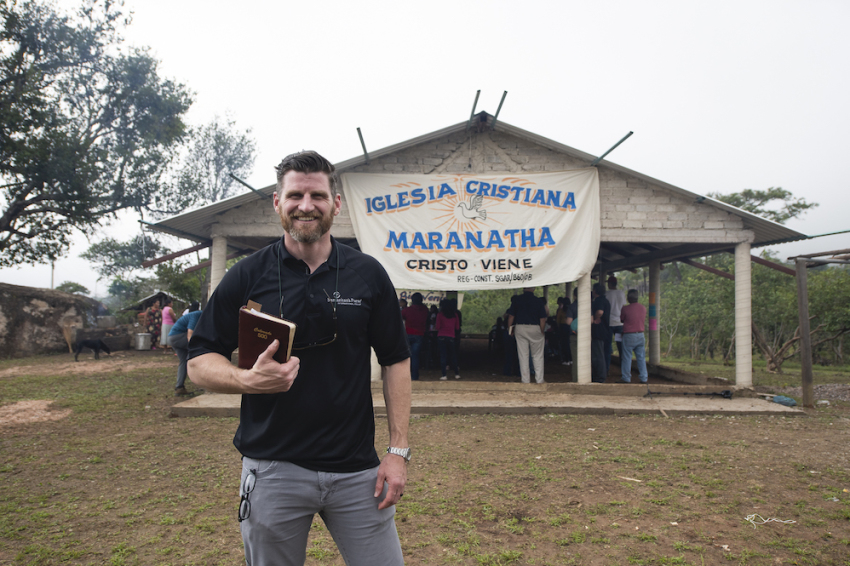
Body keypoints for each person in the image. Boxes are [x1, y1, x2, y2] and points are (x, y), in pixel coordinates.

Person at [187, 150, 411, 566]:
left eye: (318, 196)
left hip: (356, 471)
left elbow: (396, 359)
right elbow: (199, 359)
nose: (306, 206)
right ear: (278, 202)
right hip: (273, 470)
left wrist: (397, 451)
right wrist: (245, 380)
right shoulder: (248, 275)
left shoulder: (368, 274)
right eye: (295, 195)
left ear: (336, 204)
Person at [506, 287, 547, 384]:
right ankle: (539, 380)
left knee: (523, 355)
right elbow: (543, 319)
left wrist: (510, 329)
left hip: (520, 327)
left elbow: (511, 316)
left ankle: (525, 380)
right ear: (534, 289)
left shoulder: (517, 300)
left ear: (523, 288)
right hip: (535, 327)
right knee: (537, 355)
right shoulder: (538, 301)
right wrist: (541, 331)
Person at [168, 301, 201, 396]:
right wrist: (194, 348)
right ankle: (208, 381)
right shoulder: (197, 315)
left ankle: (179, 387)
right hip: (177, 337)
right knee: (203, 351)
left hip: (172, 338)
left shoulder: (200, 316)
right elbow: (190, 333)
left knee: (184, 361)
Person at [619, 289, 649, 383]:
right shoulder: (643, 308)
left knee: (627, 357)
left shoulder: (625, 308)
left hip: (629, 335)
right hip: (640, 335)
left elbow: (622, 319)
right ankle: (644, 378)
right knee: (641, 358)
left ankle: (626, 378)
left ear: (628, 298)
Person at [401, 292, 428, 380]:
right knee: (415, 356)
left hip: (408, 334)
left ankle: (405, 375)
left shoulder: (407, 310)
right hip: (419, 335)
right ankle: (415, 376)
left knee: (405, 355)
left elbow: (400, 317)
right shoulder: (425, 310)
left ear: (412, 300)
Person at [605, 275, 626, 375]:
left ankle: (606, 369)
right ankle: (623, 370)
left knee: (608, 347)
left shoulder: (607, 294)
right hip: (619, 324)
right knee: (620, 347)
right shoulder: (621, 293)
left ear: (609, 284)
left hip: (609, 324)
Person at [591, 282, 611, 383]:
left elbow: (600, 312)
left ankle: (600, 377)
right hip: (604, 330)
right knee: (600, 353)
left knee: (598, 354)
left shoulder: (599, 301)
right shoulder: (605, 300)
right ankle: (599, 375)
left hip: (598, 330)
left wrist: (594, 318)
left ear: (595, 291)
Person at [436, 299, 460, 380]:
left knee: (443, 356)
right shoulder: (455, 315)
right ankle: (456, 374)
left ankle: (444, 375)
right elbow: (457, 327)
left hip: (441, 336)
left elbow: (437, 327)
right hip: (451, 337)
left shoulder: (440, 315)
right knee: (453, 355)